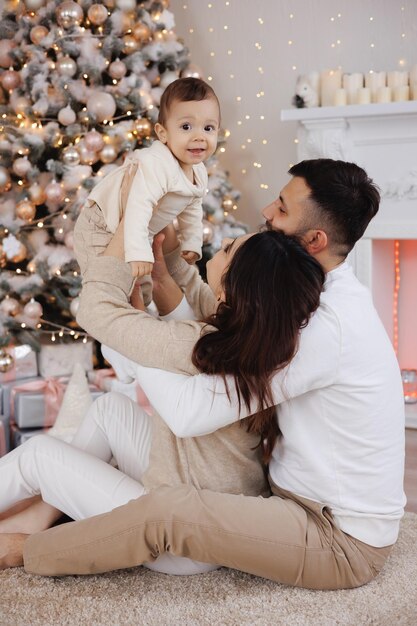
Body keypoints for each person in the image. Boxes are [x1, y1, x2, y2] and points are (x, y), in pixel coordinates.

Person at [3, 159, 406, 591]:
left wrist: (133, 333)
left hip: (336, 535)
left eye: (283, 209)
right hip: (287, 500)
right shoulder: (295, 295)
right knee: (110, 414)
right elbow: (216, 325)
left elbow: (191, 409)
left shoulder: (321, 327)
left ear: (314, 240)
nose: (267, 210)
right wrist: (166, 265)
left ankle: (27, 547)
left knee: (166, 512)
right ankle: (52, 508)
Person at [0, 228, 325, 574]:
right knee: (110, 410)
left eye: (227, 249)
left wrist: (130, 314)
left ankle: (45, 510)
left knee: (38, 455)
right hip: (204, 512)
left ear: (232, 285)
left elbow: (121, 346)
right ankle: (47, 511)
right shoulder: (252, 342)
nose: (220, 247)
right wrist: (153, 293)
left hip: (176, 541)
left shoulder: (202, 340)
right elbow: (172, 343)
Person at [74, 76, 220, 283]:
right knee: (106, 281)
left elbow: (193, 207)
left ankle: (138, 310)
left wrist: (192, 242)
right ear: (162, 133)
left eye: (208, 128)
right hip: (101, 223)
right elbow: (138, 206)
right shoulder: (158, 164)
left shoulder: (199, 171)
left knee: (142, 286)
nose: (199, 136)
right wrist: (138, 251)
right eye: (186, 127)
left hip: (138, 230)